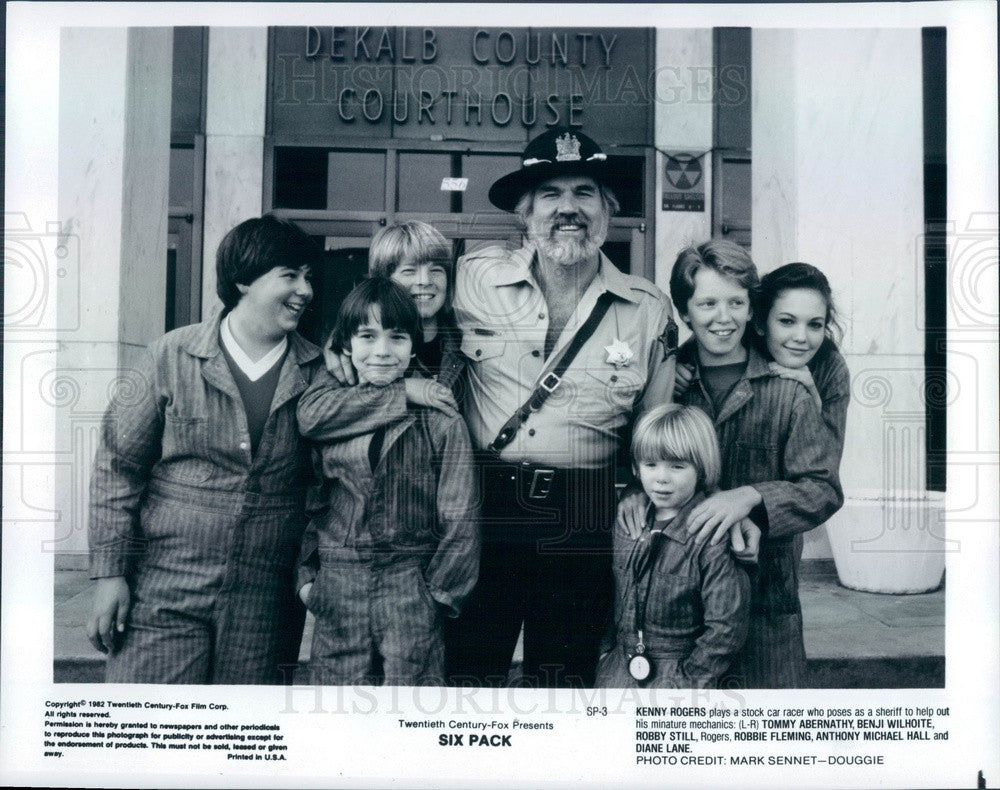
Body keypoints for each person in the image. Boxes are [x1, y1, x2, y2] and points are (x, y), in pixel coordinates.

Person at [442, 127, 683, 688]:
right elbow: (397, 323)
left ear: (608, 210)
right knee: (469, 673)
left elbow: (656, 425)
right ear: (525, 215)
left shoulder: (648, 308)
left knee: (565, 680)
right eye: (550, 194)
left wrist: (640, 499)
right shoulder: (473, 278)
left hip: (585, 512)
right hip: (484, 502)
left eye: (584, 192)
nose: (567, 209)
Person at [86, 214, 323, 684]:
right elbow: (118, 467)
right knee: (145, 733)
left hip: (266, 601)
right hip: (165, 587)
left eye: (308, 277)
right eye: (290, 276)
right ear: (242, 280)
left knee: (246, 743)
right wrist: (109, 574)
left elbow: (325, 489)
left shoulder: (319, 371)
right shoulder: (169, 357)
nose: (305, 290)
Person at [663, 239, 844, 688]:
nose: (722, 318)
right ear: (684, 312)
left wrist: (752, 498)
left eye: (736, 303)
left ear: (751, 311)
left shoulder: (789, 390)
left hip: (765, 596)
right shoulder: (667, 383)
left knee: (771, 738)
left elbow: (823, 488)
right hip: (679, 599)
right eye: (706, 303)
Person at [295, 277, 479, 685]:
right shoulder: (333, 414)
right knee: (336, 716)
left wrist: (437, 595)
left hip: (408, 582)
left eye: (397, 338)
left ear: (414, 345)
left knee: (410, 711)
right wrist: (308, 577)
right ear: (345, 345)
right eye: (367, 336)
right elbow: (311, 501)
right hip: (339, 581)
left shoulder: (440, 418)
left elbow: (461, 517)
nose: (381, 351)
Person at [596, 403, 750, 689]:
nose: (662, 477)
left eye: (677, 466)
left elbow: (726, 628)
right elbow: (607, 597)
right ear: (635, 467)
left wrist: (689, 682)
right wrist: (605, 655)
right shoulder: (626, 525)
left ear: (702, 469)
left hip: (678, 676)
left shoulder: (712, 536)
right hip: (616, 671)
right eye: (650, 464)